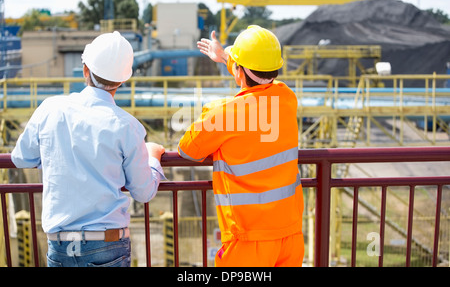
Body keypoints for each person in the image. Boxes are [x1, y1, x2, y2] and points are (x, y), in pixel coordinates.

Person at [11, 31, 166, 267]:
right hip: (107, 245)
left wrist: (52, 156)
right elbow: (143, 193)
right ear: (122, 81)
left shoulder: (50, 108)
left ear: (86, 70)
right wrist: (153, 158)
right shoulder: (127, 126)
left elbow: (21, 158)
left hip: (61, 245)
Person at [178, 25, 304, 267]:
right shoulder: (287, 98)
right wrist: (226, 56)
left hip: (249, 240)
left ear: (239, 71)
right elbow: (259, 76)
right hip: (289, 236)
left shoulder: (225, 114)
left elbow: (188, 149)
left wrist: (211, 110)